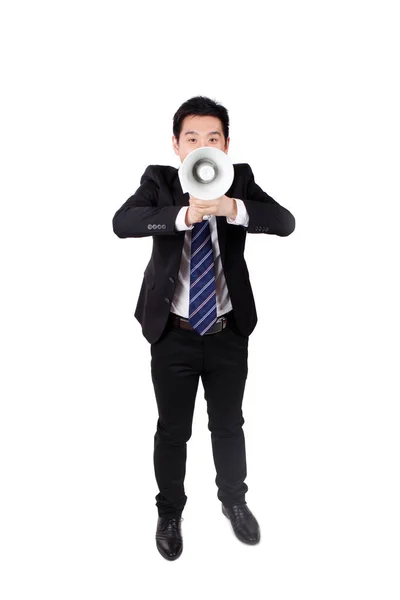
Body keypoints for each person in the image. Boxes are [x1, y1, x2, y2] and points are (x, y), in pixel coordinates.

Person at [112, 95, 295, 561]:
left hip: (227, 332)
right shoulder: (158, 181)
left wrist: (232, 207)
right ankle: (169, 511)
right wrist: (184, 215)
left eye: (212, 138)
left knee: (229, 424)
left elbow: (285, 222)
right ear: (177, 145)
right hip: (171, 332)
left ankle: (234, 501)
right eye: (191, 138)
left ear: (226, 145)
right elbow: (123, 223)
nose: (201, 145)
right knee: (172, 430)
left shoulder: (242, 180)